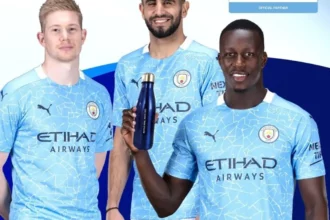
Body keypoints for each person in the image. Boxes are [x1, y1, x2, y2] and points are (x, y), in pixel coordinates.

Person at [120, 19, 328, 220]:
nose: (238, 63)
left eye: (248, 54)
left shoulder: (297, 121)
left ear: (263, 59)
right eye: (230, 55)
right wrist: (140, 153)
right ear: (220, 60)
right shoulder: (194, 124)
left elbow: (315, 206)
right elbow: (166, 205)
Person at [106, 0, 225, 219]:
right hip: (143, 210)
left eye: (168, 2)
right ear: (142, 10)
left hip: (195, 212)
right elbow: (122, 142)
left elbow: (218, 141)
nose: (159, 11)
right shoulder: (127, 66)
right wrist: (112, 206)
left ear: (185, 8)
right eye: (152, 4)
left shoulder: (208, 61)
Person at [0, 0, 113, 219]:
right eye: (55, 30)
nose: (65, 37)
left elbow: (93, 167)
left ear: (83, 35)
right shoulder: (17, 93)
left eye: (72, 29)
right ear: (42, 38)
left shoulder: (99, 95)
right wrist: (14, 213)